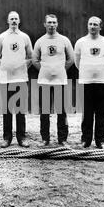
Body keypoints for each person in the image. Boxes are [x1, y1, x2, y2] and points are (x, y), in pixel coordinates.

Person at [32, 14, 74, 146]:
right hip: (44, 81)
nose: (51, 25)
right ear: (44, 24)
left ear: (57, 24)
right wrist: (46, 70)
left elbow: (71, 59)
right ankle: (45, 138)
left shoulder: (64, 40)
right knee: (44, 112)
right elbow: (35, 60)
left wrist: (59, 70)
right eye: (49, 22)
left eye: (54, 22)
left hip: (60, 81)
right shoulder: (40, 41)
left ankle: (62, 139)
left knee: (61, 112)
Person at [74, 16, 104, 149]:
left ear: (100, 27)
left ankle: (100, 140)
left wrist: (100, 71)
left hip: (103, 82)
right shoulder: (80, 42)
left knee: (101, 113)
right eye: (90, 24)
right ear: (87, 26)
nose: (92, 26)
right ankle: (85, 139)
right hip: (86, 81)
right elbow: (77, 62)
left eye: (95, 24)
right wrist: (88, 71)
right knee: (87, 113)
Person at [0, 11, 33, 148]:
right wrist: (5, 67)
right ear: (7, 21)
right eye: (11, 19)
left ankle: (22, 138)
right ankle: (7, 138)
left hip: (21, 78)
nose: (14, 21)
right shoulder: (1, 37)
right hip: (5, 79)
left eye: (16, 19)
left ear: (19, 21)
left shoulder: (24, 37)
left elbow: (30, 56)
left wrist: (21, 67)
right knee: (7, 109)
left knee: (20, 109)